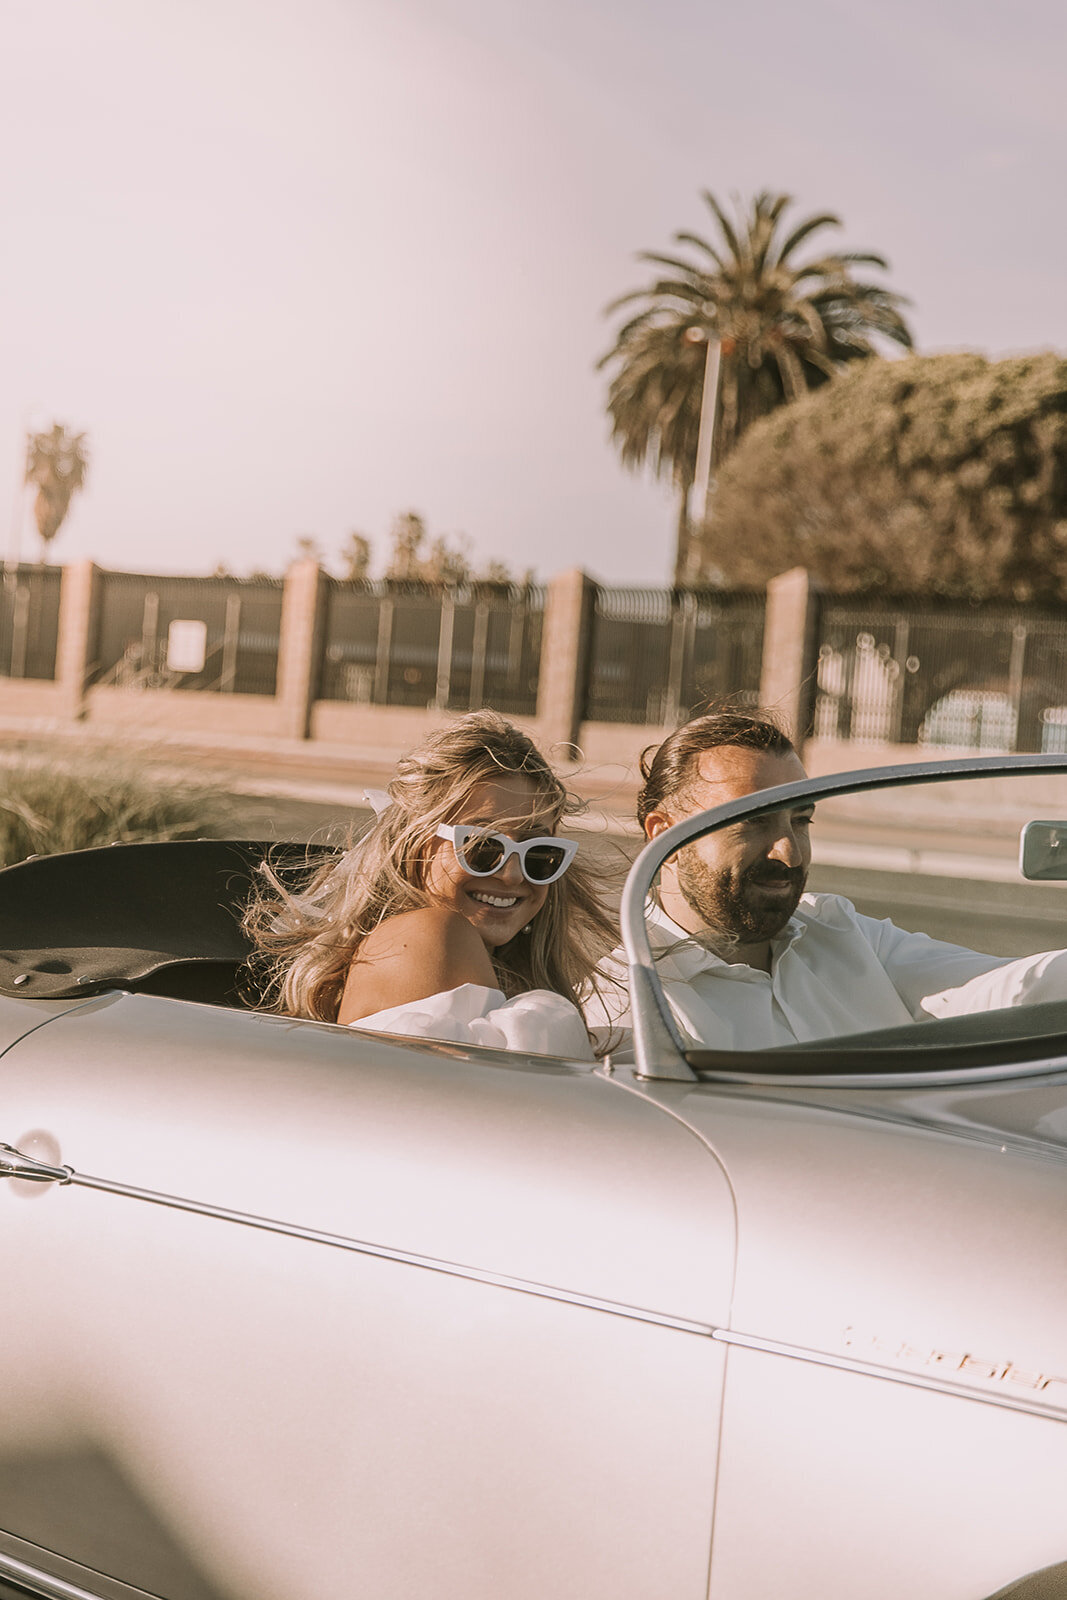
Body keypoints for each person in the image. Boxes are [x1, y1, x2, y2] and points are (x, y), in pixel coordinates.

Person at [589, 708, 1067, 1051]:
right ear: (665, 836)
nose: (789, 852)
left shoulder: (840, 930)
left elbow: (1011, 990)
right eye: (753, 821)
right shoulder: (624, 1001)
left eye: (801, 820)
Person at [245, 711, 616, 1057]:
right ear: (414, 844)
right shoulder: (433, 935)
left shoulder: (444, 946)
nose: (512, 874)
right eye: (482, 846)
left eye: (540, 855)